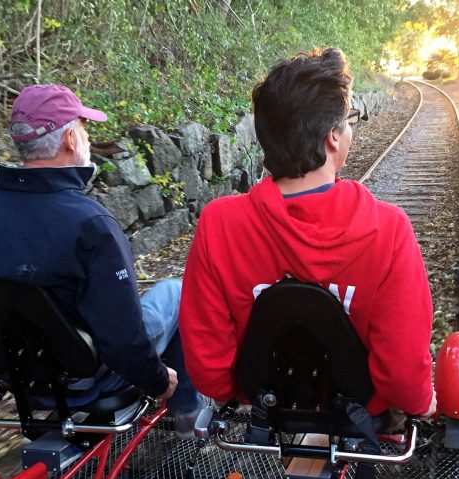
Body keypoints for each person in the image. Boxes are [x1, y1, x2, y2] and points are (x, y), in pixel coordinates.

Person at [179, 48, 436, 420]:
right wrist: (423, 403)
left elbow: (207, 365)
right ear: (333, 136)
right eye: (347, 123)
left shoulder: (219, 223)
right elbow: (401, 369)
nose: (349, 131)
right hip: (362, 413)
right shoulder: (390, 228)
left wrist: (237, 390)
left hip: (267, 406)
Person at [0, 84, 203, 437]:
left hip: (26, 374)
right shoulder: (91, 225)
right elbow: (122, 340)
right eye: (84, 128)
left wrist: (10, 371)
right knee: (175, 291)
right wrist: (156, 382)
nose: (88, 138)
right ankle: (186, 414)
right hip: (92, 374)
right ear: (71, 141)